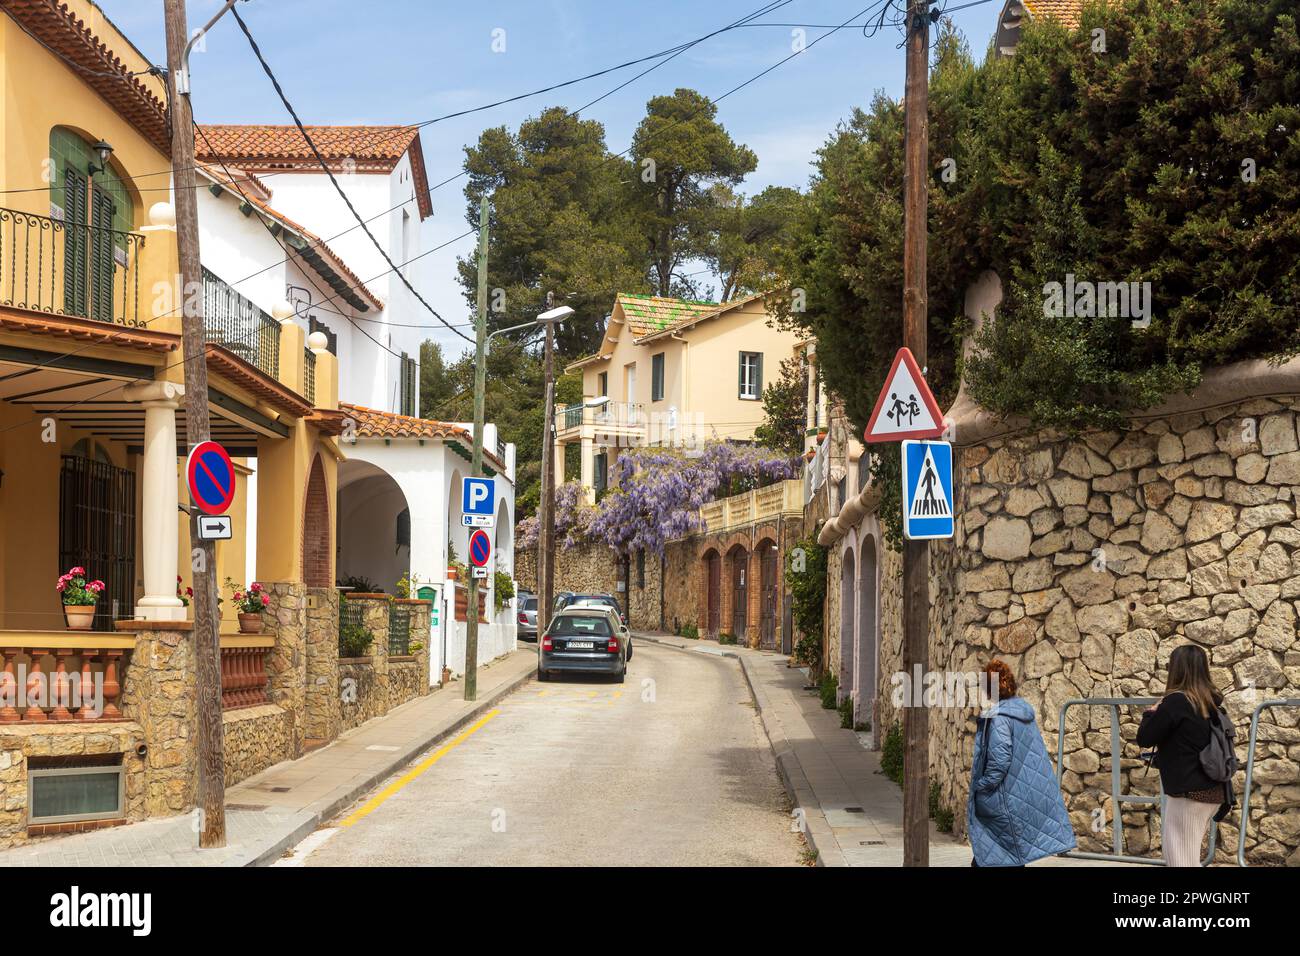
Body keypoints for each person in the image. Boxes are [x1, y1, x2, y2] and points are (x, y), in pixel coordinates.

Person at [967, 660, 1076, 867]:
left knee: (993, 855)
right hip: (1020, 796)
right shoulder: (1022, 712)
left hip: (1002, 798)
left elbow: (999, 761)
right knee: (1007, 855)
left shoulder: (999, 718)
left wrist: (982, 786)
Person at [1136, 644, 1230, 867]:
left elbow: (1145, 738)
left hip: (1189, 794)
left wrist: (1151, 712)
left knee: (1180, 861)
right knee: (1187, 859)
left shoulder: (1177, 701)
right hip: (1213, 791)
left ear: (1176, 669)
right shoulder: (1212, 701)